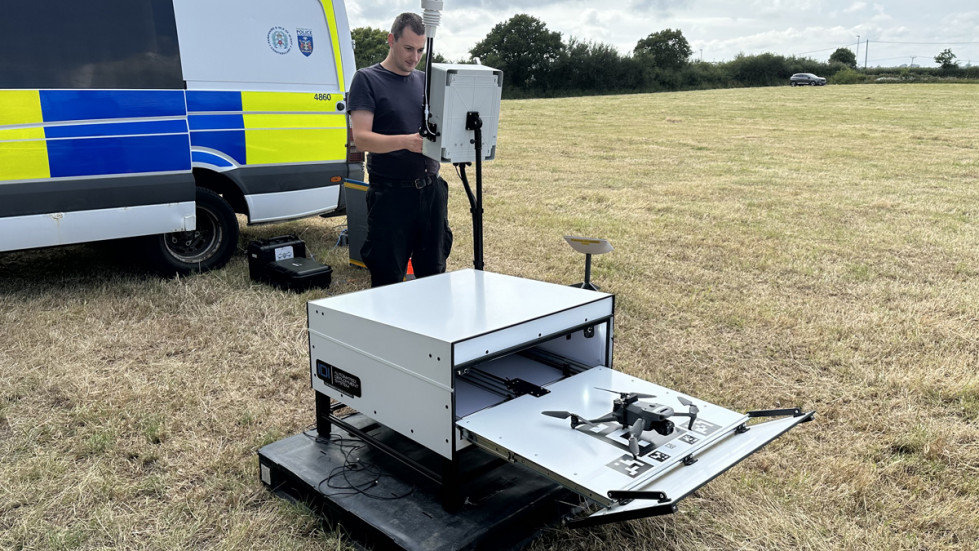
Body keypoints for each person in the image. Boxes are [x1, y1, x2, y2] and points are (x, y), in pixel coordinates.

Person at [347, 12, 452, 288]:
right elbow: (362, 139)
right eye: (408, 48)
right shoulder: (367, 79)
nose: (414, 57)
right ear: (391, 40)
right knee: (388, 279)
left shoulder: (425, 81)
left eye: (420, 50)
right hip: (391, 196)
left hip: (432, 191)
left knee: (434, 274)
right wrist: (406, 142)